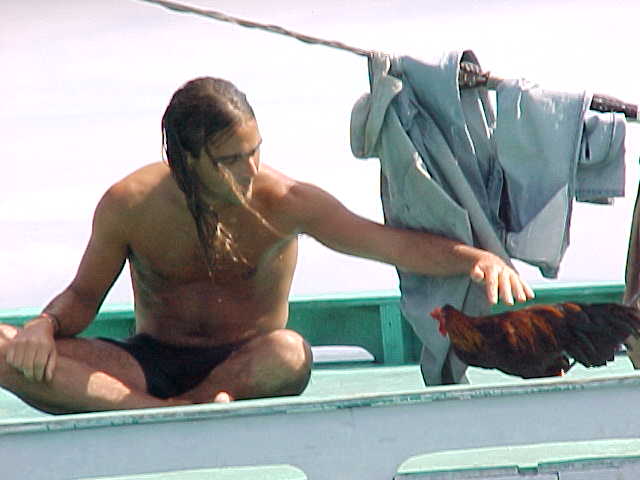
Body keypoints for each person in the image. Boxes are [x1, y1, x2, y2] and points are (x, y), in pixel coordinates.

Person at [0, 77, 534, 414]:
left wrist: (479, 259)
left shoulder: (287, 201)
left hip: (247, 363)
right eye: (230, 159)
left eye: (255, 151)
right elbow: (82, 299)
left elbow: (388, 244)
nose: (249, 170)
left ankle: (162, 413)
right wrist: (42, 328)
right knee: (4, 349)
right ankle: (163, 411)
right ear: (186, 158)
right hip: (148, 363)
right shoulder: (130, 203)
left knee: (291, 352)